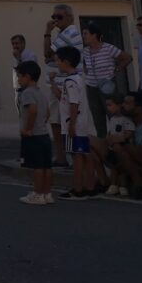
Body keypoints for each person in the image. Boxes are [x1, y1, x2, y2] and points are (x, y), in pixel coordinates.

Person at [55, 46, 95, 200]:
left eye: (58, 61)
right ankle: (90, 187)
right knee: (85, 154)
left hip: (74, 124)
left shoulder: (70, 81)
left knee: (77, 155)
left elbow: (74, 103)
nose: (57, 64)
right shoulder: (79, 78)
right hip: (82, 124)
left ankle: (78, 188)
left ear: (66, 62)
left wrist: (71, 124)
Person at [43, 5, 81, 167]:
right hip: (59, 84)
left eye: (59, 17)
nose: (55, 20)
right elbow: (50, 56)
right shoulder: (64, 34)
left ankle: (68, 157)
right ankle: (67, 157)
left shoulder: (68, 33)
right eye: (54, 17)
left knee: (64, 123)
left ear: (70, 17)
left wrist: (47, 32)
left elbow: (47, 53)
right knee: (59, 122)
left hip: (62, 85)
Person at [80, 23, 131, 138]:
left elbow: (127, 58)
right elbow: (84, 65)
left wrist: (117, 69)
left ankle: (118, 139)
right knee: (97, 116)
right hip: (91, 87)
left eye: (86, 34)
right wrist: (88, 73)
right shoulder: (85, 51)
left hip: (107, 86)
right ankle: (102, 141)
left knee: (112, 113)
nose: (83, 36)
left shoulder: (108, 48)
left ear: (94, 35)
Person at [15, 61, 53, 205]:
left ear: (27, 76)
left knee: (37, 167)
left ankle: (37, 194)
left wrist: (28, 129)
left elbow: (32, 110)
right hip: (44, 134)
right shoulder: (40, 93)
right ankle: (47, 193)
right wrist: (41, 124)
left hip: (34, 135)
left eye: (19, 76)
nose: (18, 80)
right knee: (46, 166)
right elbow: (47, 112)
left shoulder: (27, 93)